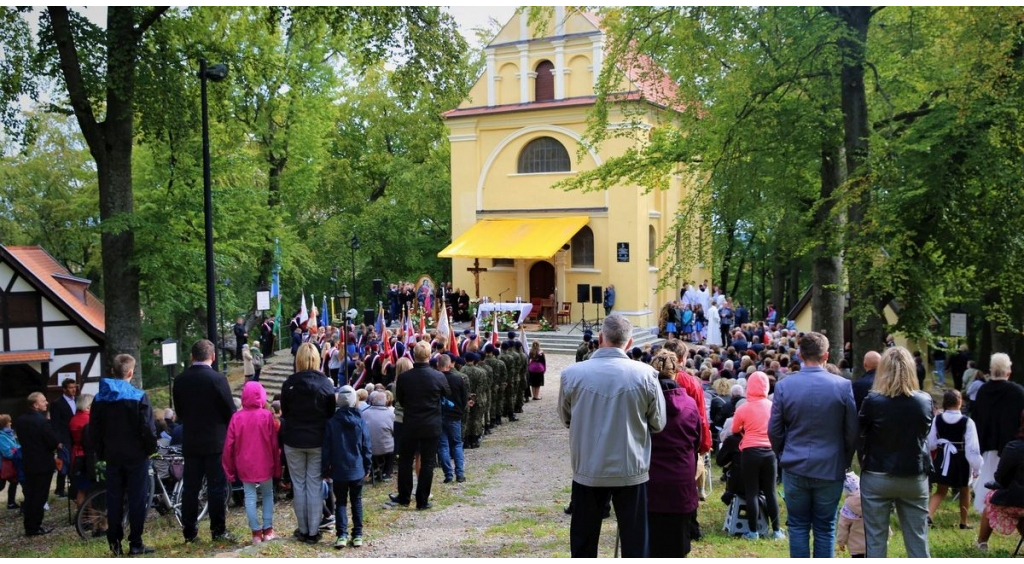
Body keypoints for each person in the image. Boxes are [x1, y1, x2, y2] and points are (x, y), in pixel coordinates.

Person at [558, 315, 666, 558]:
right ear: (629, 343)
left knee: (584, 542)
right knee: (635, 542)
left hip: (589, 466)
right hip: (631, 467)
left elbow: (566, 418)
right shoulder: (646, 375)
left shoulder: (572, 374)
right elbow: (658, 423)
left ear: (600, 338)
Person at [769, 331, 858, 558]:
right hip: (830, 466)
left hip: (795, 464)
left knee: (798, 526)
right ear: (826, 355)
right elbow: (851, 432)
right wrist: (844, 460)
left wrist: (783, 454)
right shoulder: (842, 386)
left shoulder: (785, 386)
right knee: (825, 526)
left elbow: (775, 430)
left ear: (799, 354)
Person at [858, 346, 933, 558]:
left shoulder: (873, 401)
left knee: (875, 539)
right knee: (918, 538)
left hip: (877, 473)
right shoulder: (924, 400)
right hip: (914, 474)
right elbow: (924, 432)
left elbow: (860, 432)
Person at [90, 354, 158, 555]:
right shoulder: (138, 396)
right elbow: (148, 428)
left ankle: (114, 542)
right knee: (137, 499)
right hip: (136, 455)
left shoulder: (99, 398)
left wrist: (101, 451)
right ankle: (135, 543)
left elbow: (94, 429)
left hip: (112, 455)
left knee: (114, 498)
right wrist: (150, 450)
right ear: (131, 372)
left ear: (113, 371)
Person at [173, 339, 236, 543]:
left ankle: (189, 531)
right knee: (216, 487)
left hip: (191, 440)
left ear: (192, 357)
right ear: (213, 357)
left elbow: (180, 413)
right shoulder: (217, 379)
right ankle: (218, 530)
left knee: (190, 488)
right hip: (215, 441)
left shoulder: (180, 380)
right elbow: (230, 411)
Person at [280, 342, 337, 544]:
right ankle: (313, 531)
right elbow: (331, 412)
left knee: (299, 485)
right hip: (318, 439)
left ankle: (303, 529)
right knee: (314, 484)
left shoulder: (289, 384)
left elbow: (285, 413)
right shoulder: (326, 384)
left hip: (294, 439)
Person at [647, 351, 701, 557]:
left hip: (651, 482)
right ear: (676, 374)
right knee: (677, 548)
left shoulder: (645, 404)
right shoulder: (690, 405)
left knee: (651, 547)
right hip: (680, 481)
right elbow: (696, 441)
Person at [388, 342, 450, 510]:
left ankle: (404, 497)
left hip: (411, 423)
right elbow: (447, 393)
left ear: (414, 355)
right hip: (431, 424)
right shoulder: (438, 376)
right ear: (429, 356)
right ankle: (422, 500)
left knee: (405, 461)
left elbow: (400, 399)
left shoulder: (404, 377)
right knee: (428, 462)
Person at [222, 381, 280, 545]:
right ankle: (268, 530)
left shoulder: (236, 417)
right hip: (265, 461)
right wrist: (277, 465)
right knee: (267, 494)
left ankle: (255, 532)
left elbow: (229, 445)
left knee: (249, 496)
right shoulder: (267, 416)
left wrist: (229, 469)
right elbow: (274, 443)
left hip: (245, 463)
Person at [732, 371, 785, 540]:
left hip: (749, 452)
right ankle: (776, 530)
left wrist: (745, 431)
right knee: (770, 491)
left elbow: (734, 429)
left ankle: (753, 531)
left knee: (752, 492)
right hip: (769, 452)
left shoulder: (743, 408)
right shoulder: (773, 406)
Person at [971, 352, 1024, 515]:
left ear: (991, 370)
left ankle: (983, 506)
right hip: (1011, 445)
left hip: (986, 441)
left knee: (986, 476)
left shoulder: (982, 391)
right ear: (1008, 371)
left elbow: (976, 417)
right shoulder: (1018, 392)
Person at [322, 386, 372, 550]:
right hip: (357, 468)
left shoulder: (332, 422)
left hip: (339, 469)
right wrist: (367, 466)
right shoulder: (360, 421)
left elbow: (327, 448)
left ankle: (341, 535)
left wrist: (325, 469)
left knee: (341, 503)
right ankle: (357, 535)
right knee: (356, 501)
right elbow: (366, 446)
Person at [927, 389, 982, 529]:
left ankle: (929, 515)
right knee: (964, 490)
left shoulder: (937, 419)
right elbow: (972, 448)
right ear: (960, 402)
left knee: (941, 490)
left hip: (942, 457)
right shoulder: (967, 422)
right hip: (960, 460)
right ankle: (963, 522)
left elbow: (931, 443)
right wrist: (977, 466)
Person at [976, 410, 1024, 551]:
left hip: (1017, 499)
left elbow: (1000, 477)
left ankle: (982, 543)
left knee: (991, 499)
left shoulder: (1014, 447)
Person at [15, 392, 59, 536]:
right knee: (40, 496)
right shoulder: (42, 421)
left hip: (28, 461)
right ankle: (34, 526)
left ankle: (29, 524)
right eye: (44, 401)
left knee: (31, 495)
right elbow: (52, 442)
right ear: (35, 404)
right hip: (42, 463)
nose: (46, 403)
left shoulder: (20, 420)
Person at [437, 354, 468, 484]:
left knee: (443, 446)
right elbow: (464, 398)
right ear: (450, 365)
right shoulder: (458, 379)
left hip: (439, 415)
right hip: (454, 415)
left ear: (438, 365)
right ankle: (460, 474)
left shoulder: (435, 379)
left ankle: (448, 475)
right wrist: (460, 410)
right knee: (457, 444)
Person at [48, 377, 77, 498]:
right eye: (70, 388)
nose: (73, 390)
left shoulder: (78, 400)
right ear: (64, 389)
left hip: (75, 435)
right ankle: (60, 488)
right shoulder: (57, 403)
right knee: (64, 462)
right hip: (64, 437)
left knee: (74, 461)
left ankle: (73, 486)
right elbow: (55, 424)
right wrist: (57, 441)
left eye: (74, 387)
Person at [362, 391, 395, 480]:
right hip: (386, 448)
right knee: (392, 444)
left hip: (368, 448)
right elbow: (394, 432)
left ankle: (375, 469)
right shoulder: (391, 414)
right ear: (385, 402)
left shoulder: (364, 413)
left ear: (372, 401)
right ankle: (387, 473)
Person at [68, 393, 93, 508]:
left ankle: (83, 517)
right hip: (86, 456)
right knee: (91, 489)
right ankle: (93, 518)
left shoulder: (74, 419)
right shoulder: (88, 419)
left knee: (81, 489)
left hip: (76, 454)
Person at [836, 472, 866, 558]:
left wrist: (841, 542)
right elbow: (880, 519)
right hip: (874, 544)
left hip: (856, 548)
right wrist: (888, 533)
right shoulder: (870, 501)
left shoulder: (847, 508)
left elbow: (843, 527)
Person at [0, 414, 21, 509]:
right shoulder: (1, 437)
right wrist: (17, 453)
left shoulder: (9, 434)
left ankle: (11, 502)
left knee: (14, 482)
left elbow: (15, 447)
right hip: (3, 465)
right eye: (9, 421)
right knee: (1, 485)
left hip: (12, 463)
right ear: (5, 424)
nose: (11, 423)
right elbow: (7, 452)